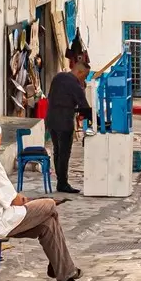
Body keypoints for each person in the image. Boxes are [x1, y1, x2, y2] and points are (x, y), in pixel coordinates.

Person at [0, 118, 92, 281]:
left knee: (48, 224)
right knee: (50, 205)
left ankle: (65, 278)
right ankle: (61, 268)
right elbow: (15, 200)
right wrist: (29, 201)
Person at [44, 52, 92, 194]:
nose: (85, 78)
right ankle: (62, 183)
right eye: (85, 75)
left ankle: (60, 180)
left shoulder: (58, 77)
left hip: (51, 120)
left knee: (57, 150)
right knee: (64, 152)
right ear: (79, 71)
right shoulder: (75, 84)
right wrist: (96, 119)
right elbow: (84, 106)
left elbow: (52, 97)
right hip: (64, 122)